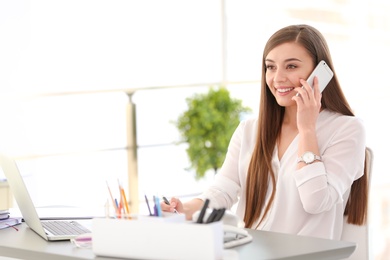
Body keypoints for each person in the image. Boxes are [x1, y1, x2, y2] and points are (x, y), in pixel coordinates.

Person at [161, 24, 368, 240]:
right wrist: (183, 208)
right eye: (271, 67)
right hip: (246, 250)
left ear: (319, 72)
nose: (277, 78)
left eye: (291, 66)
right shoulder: (250, 129)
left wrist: (307, 129)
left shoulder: (347, 129)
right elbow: (224, 189)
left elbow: (315, 201)